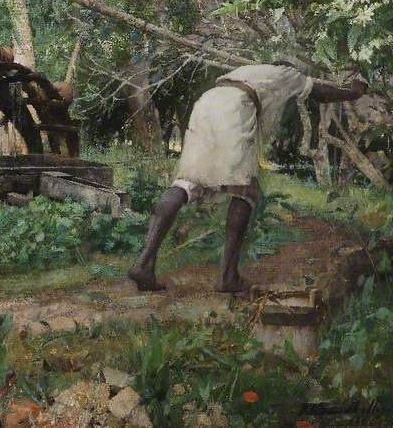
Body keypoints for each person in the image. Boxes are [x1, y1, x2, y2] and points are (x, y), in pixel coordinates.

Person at [127, 63, 368, 293]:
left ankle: (144, 264)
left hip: (206, 105)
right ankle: (228, 277)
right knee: (245, 191)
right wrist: (354, 93)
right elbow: (321, 93)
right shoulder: (286, 73)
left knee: (186, 183)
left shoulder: (247, 72)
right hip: (235, 109)